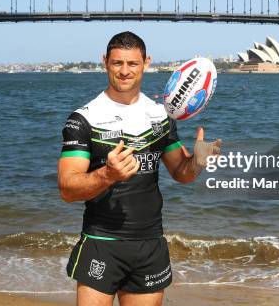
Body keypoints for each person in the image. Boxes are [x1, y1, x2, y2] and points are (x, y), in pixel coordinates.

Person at [57, 31, 221, 306]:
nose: (124, 71)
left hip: (149, 243)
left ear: (146, 62)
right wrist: (107, 174)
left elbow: (181, 173)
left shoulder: (161, 115)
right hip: (101, 241)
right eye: (117, 63)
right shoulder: (84, 118)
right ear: (105, 62)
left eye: (132, 63)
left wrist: (198, 161)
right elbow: (67, 189)